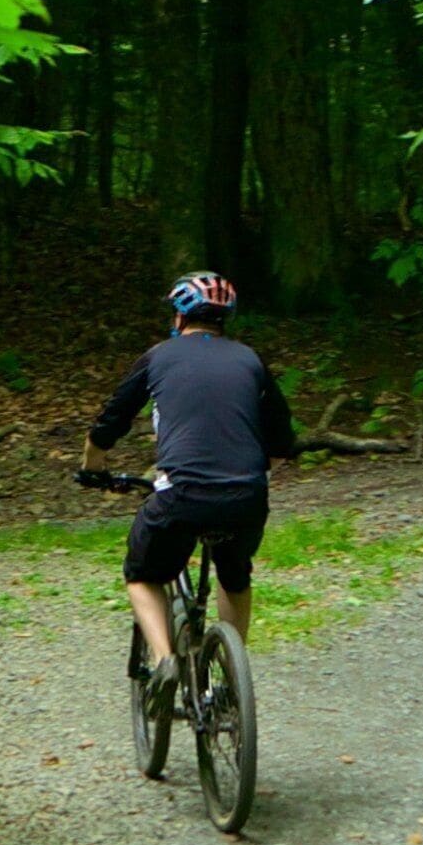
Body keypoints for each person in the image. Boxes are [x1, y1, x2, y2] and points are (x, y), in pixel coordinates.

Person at [84, 271, 300, 708]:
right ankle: (229, 677)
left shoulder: (159, 356)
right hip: (245, 496)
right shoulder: (250, 361)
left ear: (180, 315)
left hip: (181, 495)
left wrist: (93, 465)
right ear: (226, 319)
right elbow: (282, 442)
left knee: (143, 575)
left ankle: (164, 660)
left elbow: (112, 420)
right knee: (234, 575)